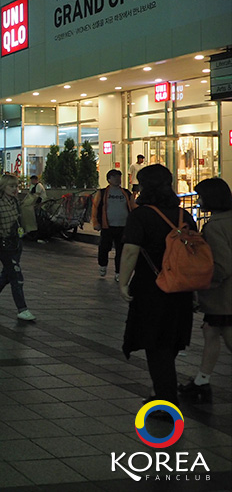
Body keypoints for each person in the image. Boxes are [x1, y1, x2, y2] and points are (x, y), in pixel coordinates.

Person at [118, 164, 196, 406]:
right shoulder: (185, 216)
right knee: (171, 340)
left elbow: (130, 251)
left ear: (145, 186)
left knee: (156, 342)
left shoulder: (140, 215)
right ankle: (162, 389)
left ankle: (165, 399)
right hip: (182, 287)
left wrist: (123, 282)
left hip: (152, 287)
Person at [178, 178, 232, 402]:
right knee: (212, 331)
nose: (198, 201)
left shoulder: (215, 226)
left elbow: (222, 264)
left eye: (201, 197)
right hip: (225, 295)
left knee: (222, 333)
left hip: (223, 293)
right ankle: (202, 379)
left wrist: (207, 284)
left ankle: (202, 381)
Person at [0, 173, 35, 321]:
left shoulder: (15, 202)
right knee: (16, 276)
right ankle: (22, 309)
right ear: (3, 187)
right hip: (4, 244)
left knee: (7, 274)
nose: (15, 189)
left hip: (16, 243)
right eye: (11, 186)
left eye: (16, 186)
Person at [91, 169, 136, 282]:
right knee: (104, 247)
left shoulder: (126, 193)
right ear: (109, 179)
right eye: (115, 177)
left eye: (119, 177)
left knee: (121, 250)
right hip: (108, 226)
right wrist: (96, 222)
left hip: (123, 226)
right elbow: (95, 207)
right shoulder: (102, 193)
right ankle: (103, 265)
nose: (118, 179)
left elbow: (133, 207)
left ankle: (118, 272)